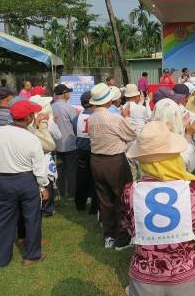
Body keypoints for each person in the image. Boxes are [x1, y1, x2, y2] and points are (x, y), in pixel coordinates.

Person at [123, 121, 195, 296]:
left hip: (145, 278)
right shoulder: (193, 188)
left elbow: (131, 230)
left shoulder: (130, 190)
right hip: (187, 276)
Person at [0, 100, 49, 267]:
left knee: (3, 219)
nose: (34, 116)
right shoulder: (31, 138)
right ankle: (32, 256)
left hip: (6, 179)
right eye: (32, 114)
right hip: (27, 180)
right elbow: (40, 168)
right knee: (32, 218)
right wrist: (43, 186)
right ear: (28, 117)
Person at [88, 83, 137, 250]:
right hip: (114, 161)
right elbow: (130, 135)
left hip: (96, 161)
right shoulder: (114, 118)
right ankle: (122, 239)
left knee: (104, 199)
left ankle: (109, 235)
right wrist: (126, 118)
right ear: (109, 101)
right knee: (121, 198)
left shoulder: (92, 117)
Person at [152, 98, 195, 176]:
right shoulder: (179, 149)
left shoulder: (145, 143)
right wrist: (188, 135)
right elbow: (189, 166)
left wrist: (181, 126)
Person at [51, 84, 78, 200]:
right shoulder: (69, 108)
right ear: (64, 94)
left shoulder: (51, 107)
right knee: (71, 170)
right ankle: (71, 193)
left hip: (56, 144)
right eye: (68, 92)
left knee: (60, 169)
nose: (69, 94)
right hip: (69, 143)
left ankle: (61, 192)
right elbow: (77, 125)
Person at [72, 92, 98, 214]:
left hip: (81, 151)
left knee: (81, 178)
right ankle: (94, 207)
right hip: (95, 151)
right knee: (95, 179)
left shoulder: (76, 118)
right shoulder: (97, 116)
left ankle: (79, 204)